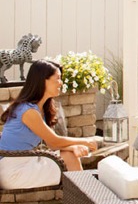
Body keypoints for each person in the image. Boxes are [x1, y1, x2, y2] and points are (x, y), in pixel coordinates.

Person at [0, 60, 97, 190]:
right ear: (43, 81)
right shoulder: (28, 111)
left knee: (69, 156)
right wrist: (86, 141)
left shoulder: (40, 109)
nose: (60, 83)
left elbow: (51, 144)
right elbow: (54, 142)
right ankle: (87, 198)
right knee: (70, 159)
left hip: (26, 162)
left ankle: (84, 199)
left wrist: (72, 147)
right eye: (57, 79)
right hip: (14, 170)